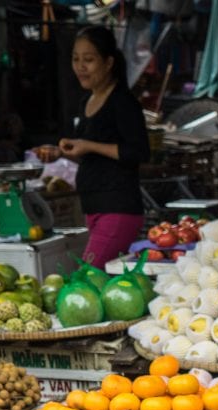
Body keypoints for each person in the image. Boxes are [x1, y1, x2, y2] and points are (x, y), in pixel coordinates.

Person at [34, 25, 149, 268]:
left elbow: (138, 152)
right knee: (102, 282)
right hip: (93, 206)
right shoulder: (87, 100)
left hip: (118, 207)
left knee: (87, 278)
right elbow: (89, 153)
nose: (80, 67)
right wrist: (60, 153)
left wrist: (88, 145)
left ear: (108, 63)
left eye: (89, 59)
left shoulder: (122, 102)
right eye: (75, 59)